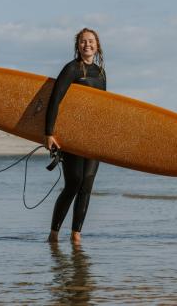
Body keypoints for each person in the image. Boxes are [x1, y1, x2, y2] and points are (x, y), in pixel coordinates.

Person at [45, 28, 106, 244]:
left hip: (93, 136)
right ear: (77, 46)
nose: (87, 45)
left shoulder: (100, 73)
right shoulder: (71, 69)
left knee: (87, 184)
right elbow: (55, 100)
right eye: (82, 41)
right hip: (71, 134)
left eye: (90, 41)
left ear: (97, 45)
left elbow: (103, 107)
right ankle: (54, 233)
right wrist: (49, 133)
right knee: (74, 182)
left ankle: (76, 235)